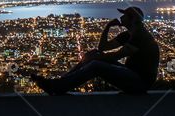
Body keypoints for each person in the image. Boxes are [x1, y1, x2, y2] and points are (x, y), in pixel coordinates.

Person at [27, 6, 159, 95]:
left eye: (125, 15)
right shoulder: (128, 34)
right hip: (131, 74)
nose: (121, 17)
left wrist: (95, 59)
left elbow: (115, 57)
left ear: (132, 20)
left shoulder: (140, 36)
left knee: (96, 65)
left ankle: (57, 87)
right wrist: (107, 27)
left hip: (140, 83)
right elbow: (103, 48)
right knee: (93, 54)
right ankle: (59, 83)